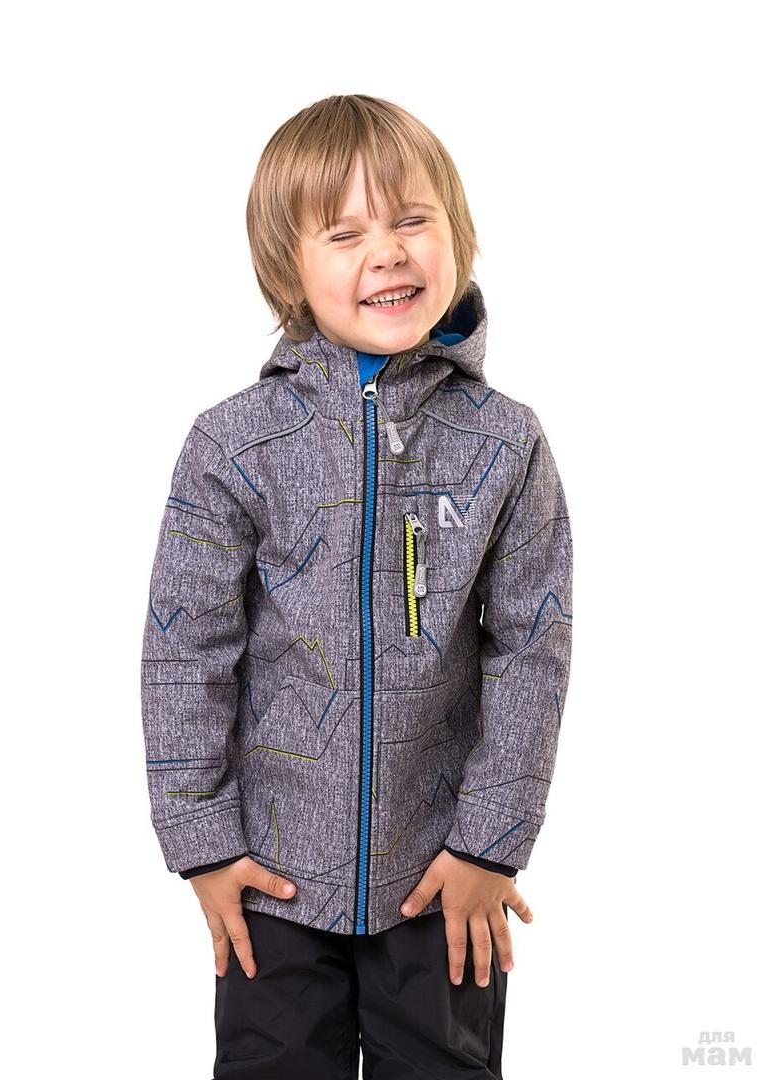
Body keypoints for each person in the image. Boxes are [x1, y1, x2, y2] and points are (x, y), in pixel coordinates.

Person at [140, 93, 573, 1079]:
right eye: (344, 234)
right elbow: (183, 649)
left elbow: (531, 651)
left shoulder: (505, 443)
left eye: (412, 219)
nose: (387, 252)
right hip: (273, 877)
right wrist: (202, 841)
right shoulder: (234, 443)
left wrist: (490, 846)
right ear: (287, 269)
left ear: (457, 236)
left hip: (442, 877)